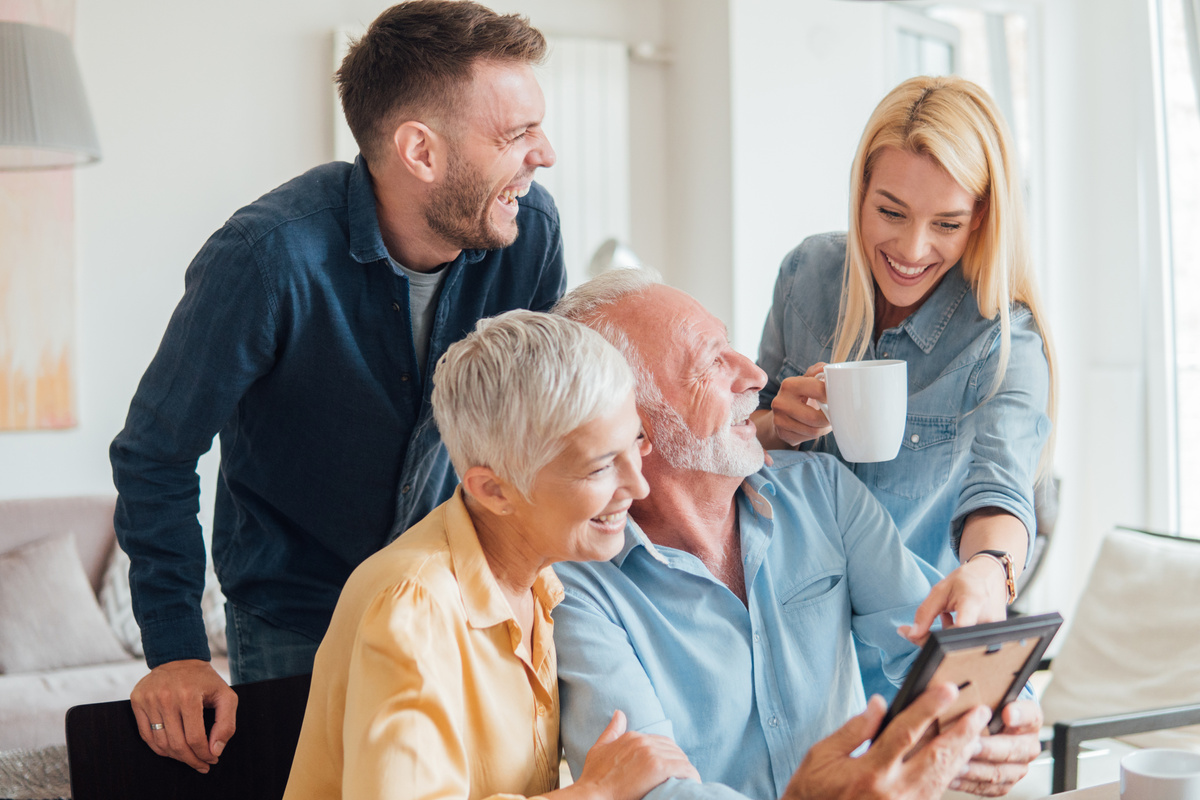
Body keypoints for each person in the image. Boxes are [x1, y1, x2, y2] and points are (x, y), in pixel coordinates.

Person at [109, 0, 564, 771]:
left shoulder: (529, 232)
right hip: (299, 617)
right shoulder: (264, 259)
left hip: (464, 602)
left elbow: (544, 424)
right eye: (516, 134)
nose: (544, 154)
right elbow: (156, 453)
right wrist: (176, 651)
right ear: (419, 150)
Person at [551, 269, 1042, 800]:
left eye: (732, 347)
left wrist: (1005, 714)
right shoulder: (574, 587)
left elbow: (933, 646)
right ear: (630, 426)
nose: (757, 378)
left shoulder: (822, 493)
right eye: (711, 364)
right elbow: (650, 792)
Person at [283, 311, 699, 800]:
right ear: (493, 490)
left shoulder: (538, 581)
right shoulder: (414, 606)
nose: (639, 485)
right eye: (601, 467)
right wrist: (596, 794)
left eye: (636, 443)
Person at [753, 75, 1056, 700]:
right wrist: (773, 427)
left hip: (909, 655)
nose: (912, 249)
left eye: (945, 223)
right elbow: (738, 439)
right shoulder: (807, 276)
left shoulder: (1003, 340)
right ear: (860, 192)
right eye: (890, 212)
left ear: (980, 219)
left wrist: (987, 570)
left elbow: (1001, 490)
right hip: (786, 647)